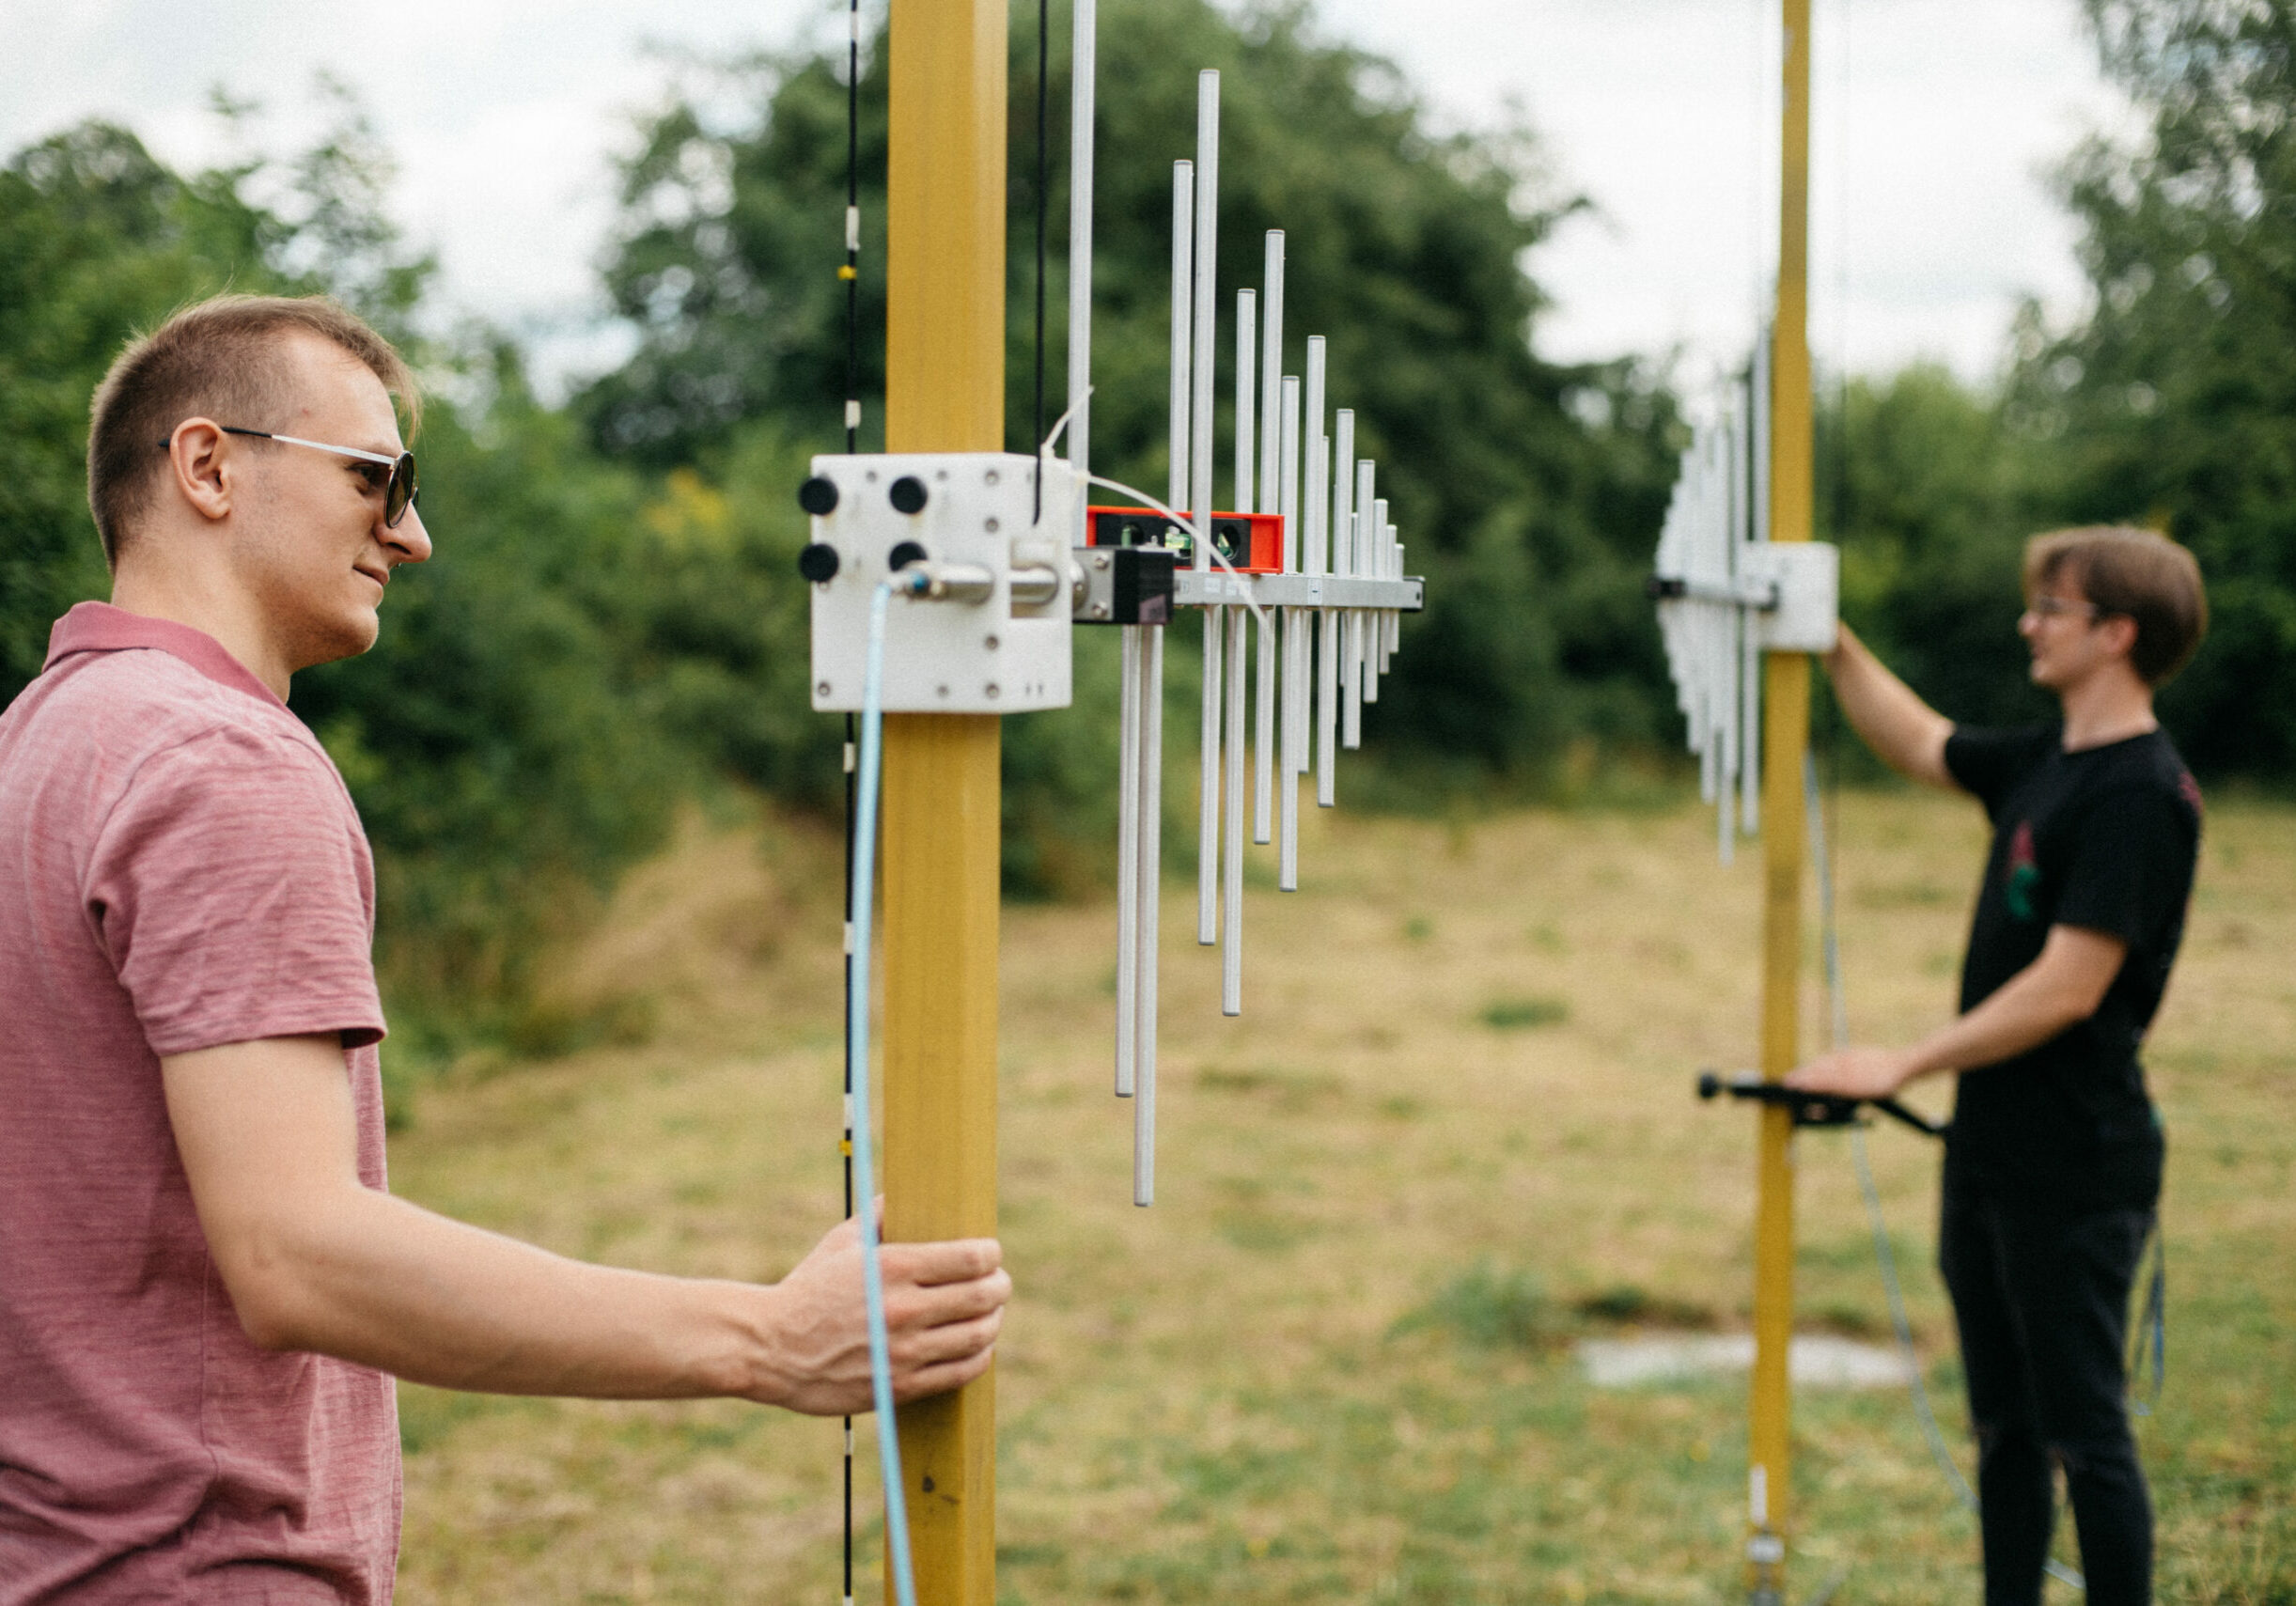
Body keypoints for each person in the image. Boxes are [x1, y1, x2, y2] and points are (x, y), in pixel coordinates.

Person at [0, 294, 1011, 1604]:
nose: (410, 535)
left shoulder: (41, 739)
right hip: (193, 1568)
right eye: (376, 478)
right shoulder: (222, 762)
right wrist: (760, 1338)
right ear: (208, 466)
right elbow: (295, 1253)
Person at [1788, 526, 2207, 1606]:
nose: (2028, 623)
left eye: (2050, 608)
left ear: (2115, 633)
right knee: (2005, 1428)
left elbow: (2071, 984)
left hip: (2075, 1162)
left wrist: (1902, 1061)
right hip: (1989, 1147)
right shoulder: (2042, 760)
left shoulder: (2138, 792)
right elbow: (1921, 740)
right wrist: (1824, 637)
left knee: (2085, 1432)